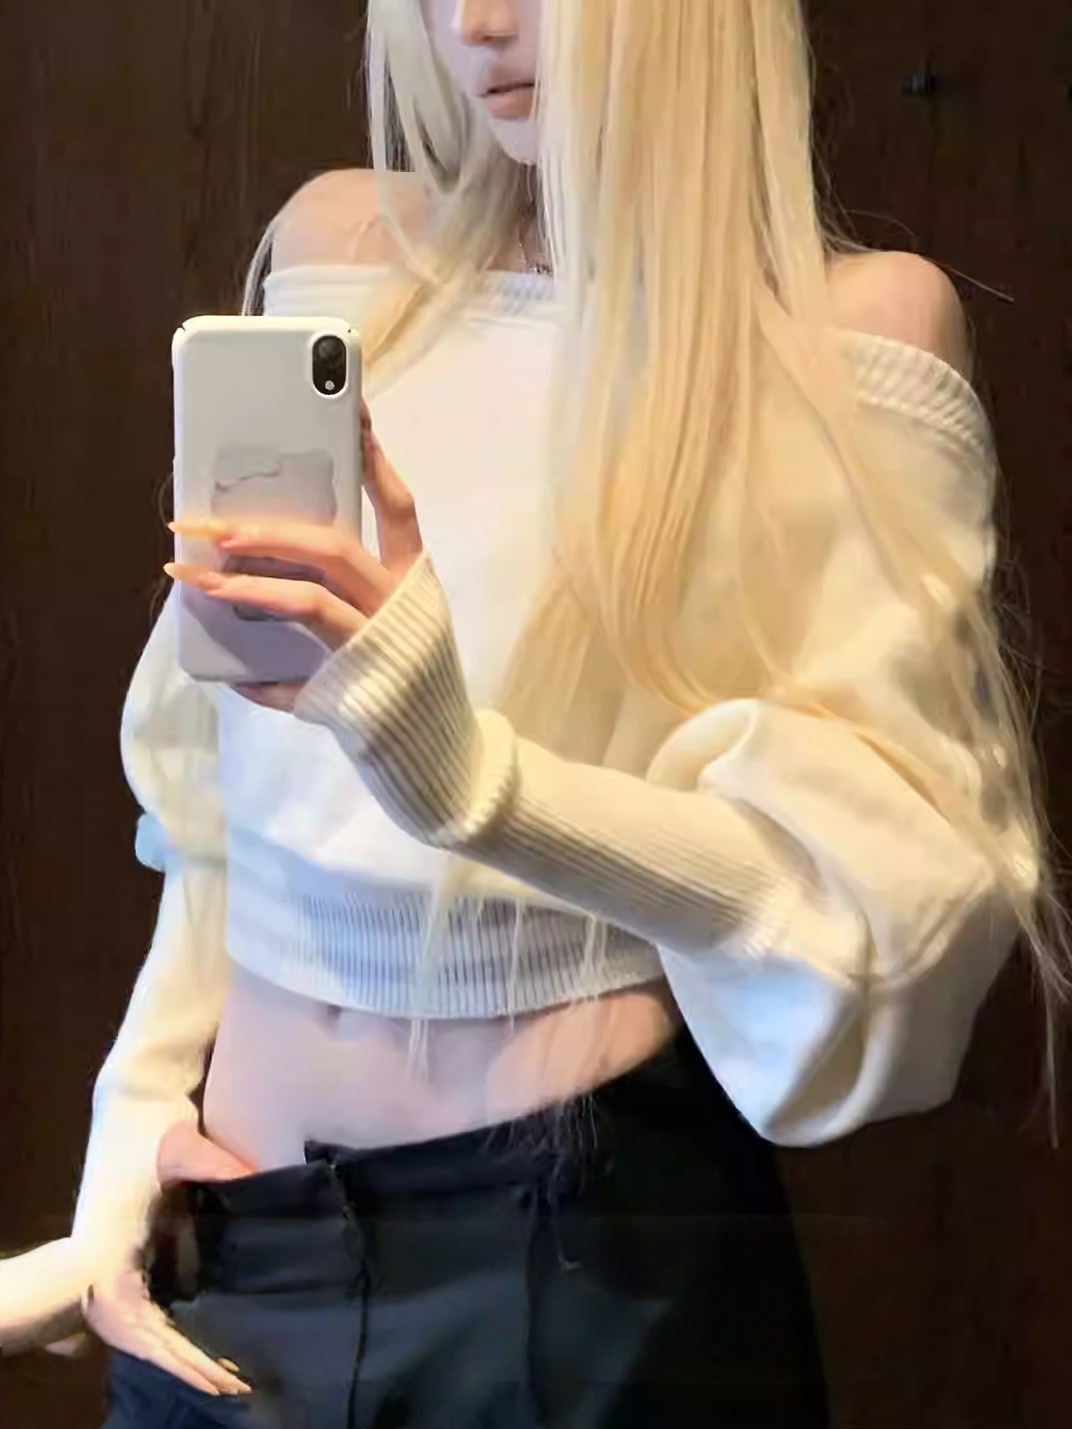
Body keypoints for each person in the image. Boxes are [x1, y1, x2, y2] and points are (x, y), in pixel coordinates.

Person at [1, 1, 1065, 1425]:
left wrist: (471, 782)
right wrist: (131, 1121)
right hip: (234, 1239)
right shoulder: (337, 252)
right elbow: (222, 793)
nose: (477, 22)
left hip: (572, 1272)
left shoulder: (849, 340)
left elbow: (877, 918)